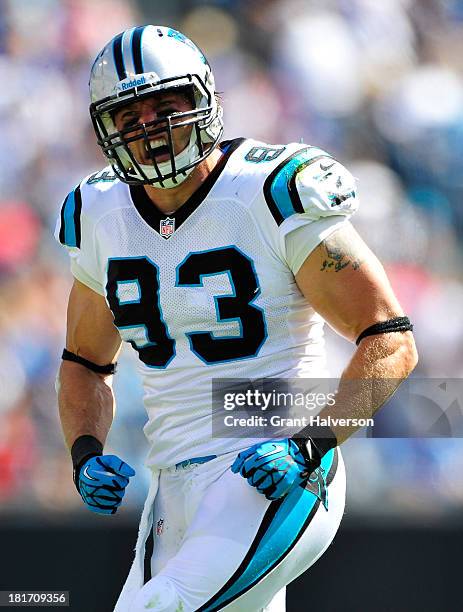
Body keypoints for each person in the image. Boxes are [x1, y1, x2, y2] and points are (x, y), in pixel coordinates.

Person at [55, 25, 417, 612]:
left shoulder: (271, 189)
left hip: (271, 463)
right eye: (130, 117)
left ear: (205, 101)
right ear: (105, 129)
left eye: (166, 105)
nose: (151, 129)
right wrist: (84, 450)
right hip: (171, 482)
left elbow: (390, 340)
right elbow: (85, 362)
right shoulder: (97, 211)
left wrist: (311, 444)